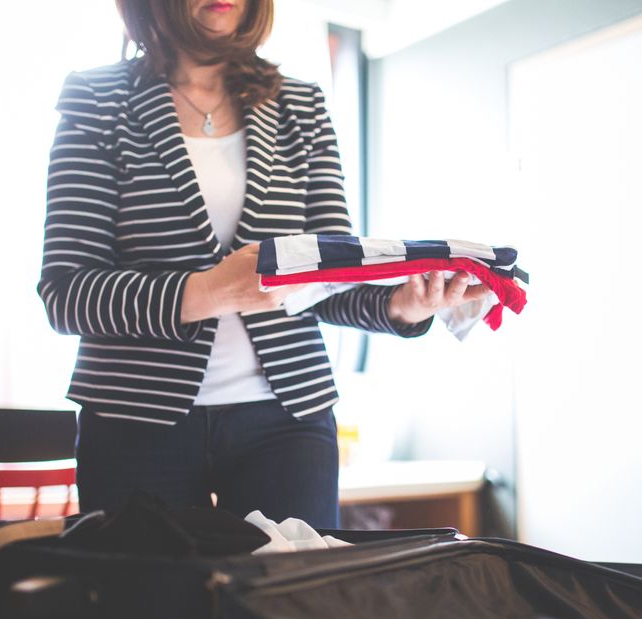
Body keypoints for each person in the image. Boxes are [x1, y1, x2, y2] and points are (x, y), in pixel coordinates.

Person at [38, 0, 490, 526]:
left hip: (287, 420)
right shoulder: (97, 98)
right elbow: (66, 292)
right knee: (150, 606)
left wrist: (403, 304)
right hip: (135, 421)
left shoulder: (301, 104)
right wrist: (210, 291)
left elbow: (329, 275)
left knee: (290, 604)